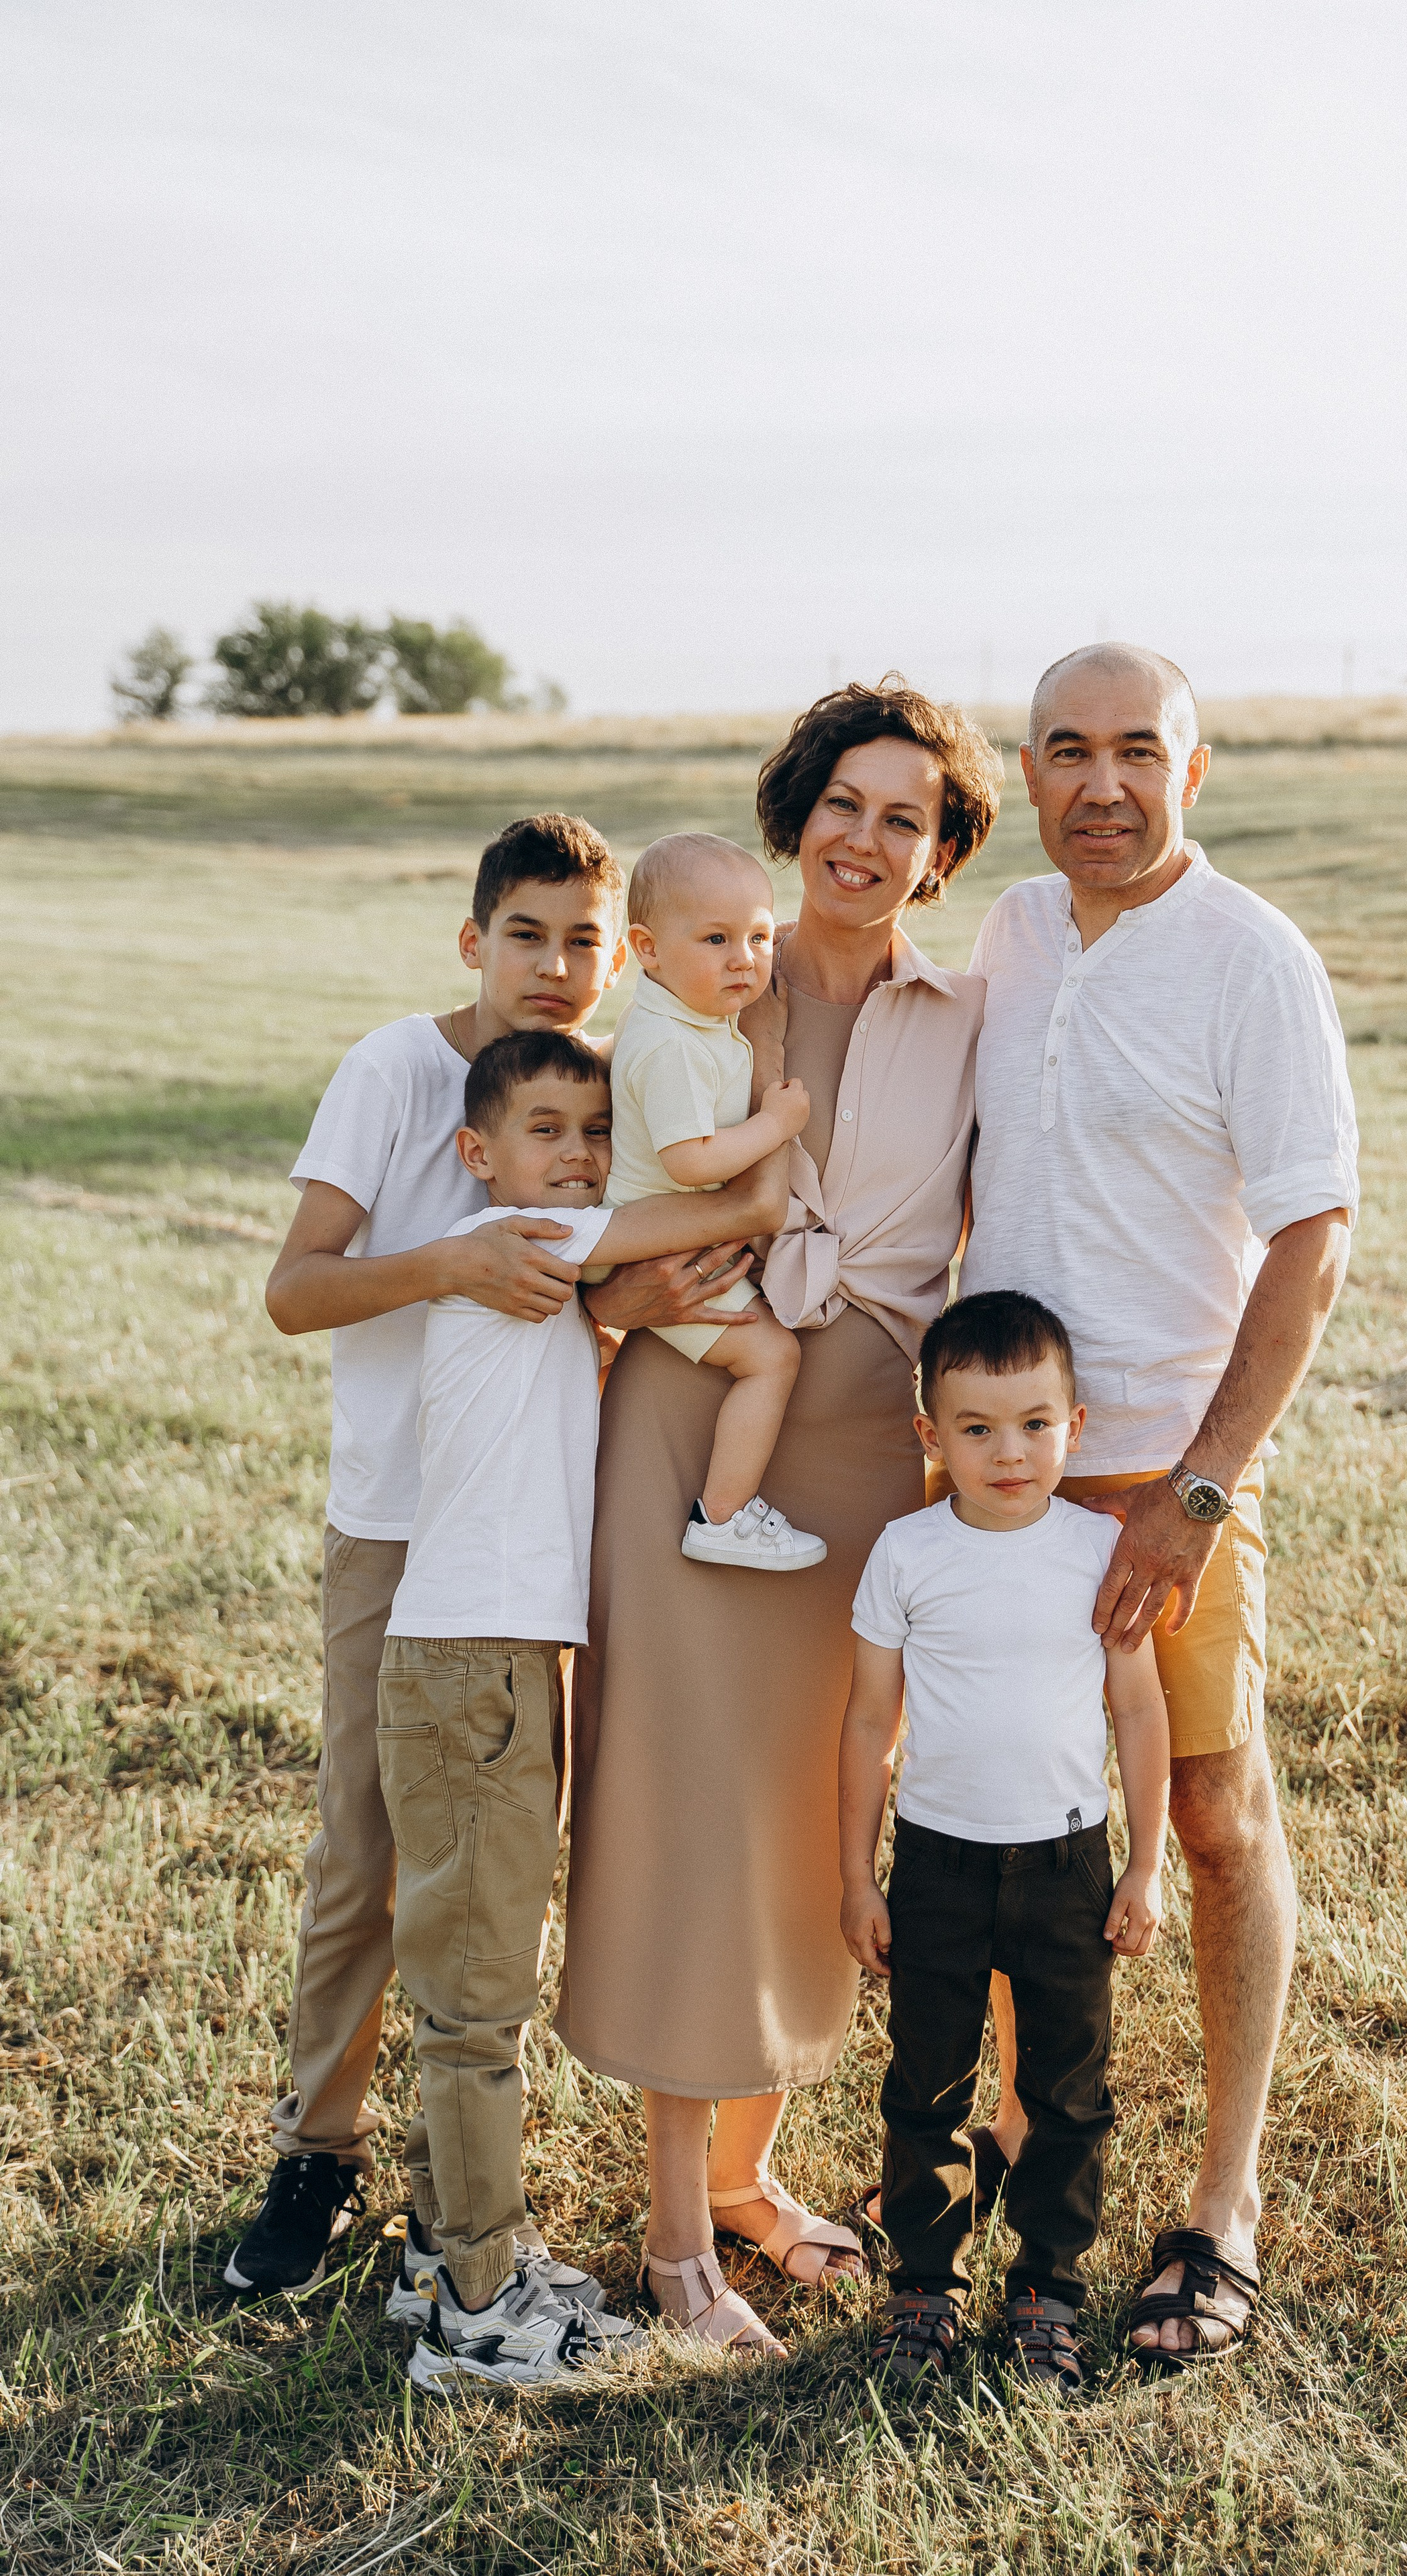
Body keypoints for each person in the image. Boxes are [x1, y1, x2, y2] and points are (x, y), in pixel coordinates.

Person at [227, 812, 753, 2300]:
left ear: (617, 956)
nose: (556, 963)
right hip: (401, 1528)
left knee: (499, 1863)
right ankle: (315, 2151)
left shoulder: (592, 1090)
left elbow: (571, 1294)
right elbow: (295, 1289)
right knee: (365, 1852)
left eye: (585, 938)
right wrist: (452, 1257)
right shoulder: (401, 1071)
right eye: (527, 933)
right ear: (475, 941)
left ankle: (453, 2182)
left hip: (537, 1533)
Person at [559, 679, 1002, 2355]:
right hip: (693, 1419)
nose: (866, 837)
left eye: (907, 815)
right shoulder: (690, 982)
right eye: (843, 800)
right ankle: (675, 2237)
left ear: (943, 854)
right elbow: (576, 1207)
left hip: (860, 1442)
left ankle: (749, 2177)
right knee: (684, 1800)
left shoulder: (966, 1015)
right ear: (792, 810)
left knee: (815, 1808)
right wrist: (620, 1287)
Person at [956, 641, 1359, 2371]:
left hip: (1164, 1472)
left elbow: (1311, 1237)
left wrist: (1195, 1492)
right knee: (1006, 1814)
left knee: (1204, 1813)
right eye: (1066, 751)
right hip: (996, 1462)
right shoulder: (1010, 935)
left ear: (1193, 772)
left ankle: (1222, 2203)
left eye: (1137, 750)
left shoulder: (1248, 958)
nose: (1100, 783)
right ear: (1026, 778)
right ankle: (1033, 2146)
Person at [378, 1029, 784, 2388]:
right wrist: (772, 1115)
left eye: (595, 1128)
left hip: (491, 1658)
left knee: (478, 1969)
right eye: (545, 1126)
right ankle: (479, 2304)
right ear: (478, 1155)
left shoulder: (541, 1279)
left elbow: (607, 1306)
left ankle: (458, 2249)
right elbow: (727, 1206)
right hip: (472, 1661)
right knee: (479, 1994)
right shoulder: (521, 1233)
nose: (578, 1154)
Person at [839, 1292, 1170, 2397]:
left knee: (1070, 2089)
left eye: (1034, 1423)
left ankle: (1048, 2293)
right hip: (936, 1863)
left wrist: (1148, 1864)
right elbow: (866, 1724)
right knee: (928, 2084)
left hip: (1069, 1867)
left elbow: (1139, 1712)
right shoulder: (906, 1554)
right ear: (930, 1436)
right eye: (976, 1428)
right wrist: (856, 1875)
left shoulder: (1099, 1550)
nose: (1009, 1451)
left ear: (1076, 1423)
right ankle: (925, 2291)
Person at [598, 832, 825, 1572]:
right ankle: (722, 1516)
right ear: (647, 949)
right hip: (667, 1248)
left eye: (759, 937)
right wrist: (774, 1124)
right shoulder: (669, 1044)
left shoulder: (690, 1018)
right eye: (717, 939)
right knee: (771, 1357)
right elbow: (688, 1160)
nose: (745, 959)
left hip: (681, 1235)